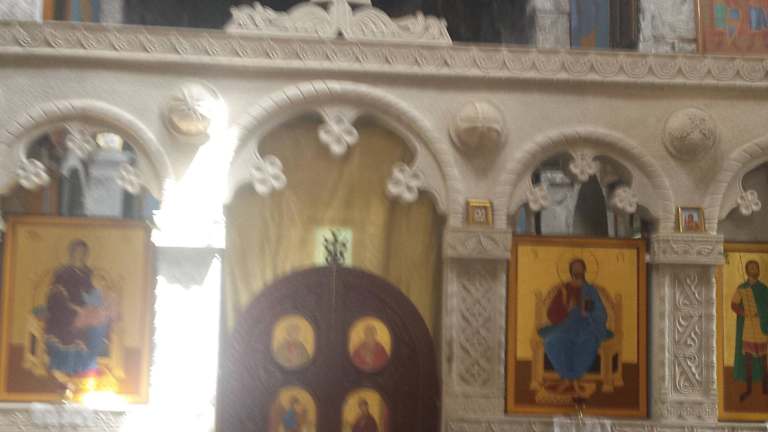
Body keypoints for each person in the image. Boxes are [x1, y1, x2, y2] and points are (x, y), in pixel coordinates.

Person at [44, 239, 117, 381]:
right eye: (77, 251)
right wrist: (74, 307)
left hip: (85, 309)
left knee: (97, 323)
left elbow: (94, 294)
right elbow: (55, 294)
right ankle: (62, 367)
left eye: (83, 252)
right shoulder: (62, 272)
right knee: (68, 323)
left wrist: (94, 305)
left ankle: (83, 367)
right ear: (71, 253)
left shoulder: (89, 273)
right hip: (64, 307)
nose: (80, 255)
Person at [538, 258, 610, 394]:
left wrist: (587, 313)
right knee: (552, 341)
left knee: (587, 342)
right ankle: (568, 379)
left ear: (584, 270)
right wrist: (566, 309)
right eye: (575, 268)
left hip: (587, 326)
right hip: (566, 325)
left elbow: (599, 312)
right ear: (571, 271)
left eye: (580, 268)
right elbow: (551, 313)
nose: (577, 270)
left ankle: (572, 380)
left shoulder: (590, 290)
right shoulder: (564, 289)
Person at [731, 260, 768, 401]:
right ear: (747, 270)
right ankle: (748, 389)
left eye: (756, 267)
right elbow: (734, 304)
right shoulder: (742, 288)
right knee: (748, 359)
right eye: (751, 267)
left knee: (763, 359)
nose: (754, 269)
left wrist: (761, 312)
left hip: (761, 328)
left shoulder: (764, 289)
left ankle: (765, 386)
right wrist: (743, 312)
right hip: (747, 328)